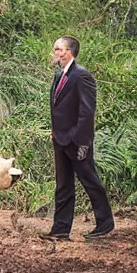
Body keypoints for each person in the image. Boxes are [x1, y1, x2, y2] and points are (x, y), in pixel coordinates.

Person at [41, 35, 114, 241]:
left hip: (77, 141)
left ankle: (105, 223)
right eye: (55, 49)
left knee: (89, 181)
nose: (55, 53)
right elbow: (57, 108)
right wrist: (55, 131)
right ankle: (60, 229)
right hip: (60, 139)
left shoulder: (82, 76)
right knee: (63, 185)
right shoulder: (59, 75)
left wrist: (82, 141)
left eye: (58, 49)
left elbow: (87, 112)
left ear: (68, 52)